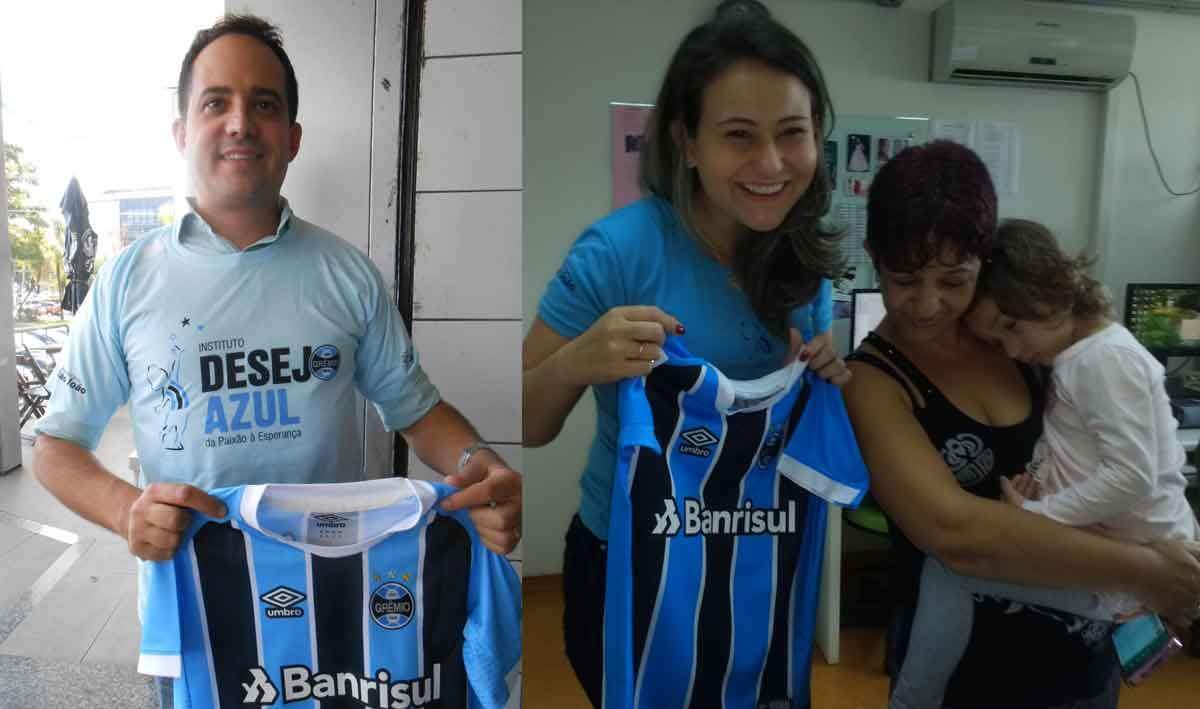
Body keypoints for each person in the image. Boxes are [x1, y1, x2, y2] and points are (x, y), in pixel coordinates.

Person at [31, 14, 521, 705]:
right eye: (216, 102)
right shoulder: (126, 281)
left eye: (265, 104)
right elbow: (53, 446)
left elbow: (420, 412)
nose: (240, 122)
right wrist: (124, 509)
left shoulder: (347, 275)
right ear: (181, 133)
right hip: (197, 616)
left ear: (291, 137)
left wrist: (483, 469)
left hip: (343, 612)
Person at [522, 1, 850, 704]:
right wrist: (581, 357)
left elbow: (806, 438)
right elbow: (524, 420)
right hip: (629, 560)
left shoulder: (806, 261)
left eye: (792, 134)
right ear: (688, 141)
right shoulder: (619, 250)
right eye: (739, 136)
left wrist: (827, 379)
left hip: (755, 556)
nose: (770, 164)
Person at [843, 139, 1200, 708]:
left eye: (954, 280)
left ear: (983, 261)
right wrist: (1149, 571)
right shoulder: (875, 380)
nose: (928, 303)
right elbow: (957, 536)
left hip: (1083, 663)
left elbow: (1123, 449)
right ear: (873, 258)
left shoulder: (1021, 339)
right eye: (904, 279)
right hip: (966, 675)